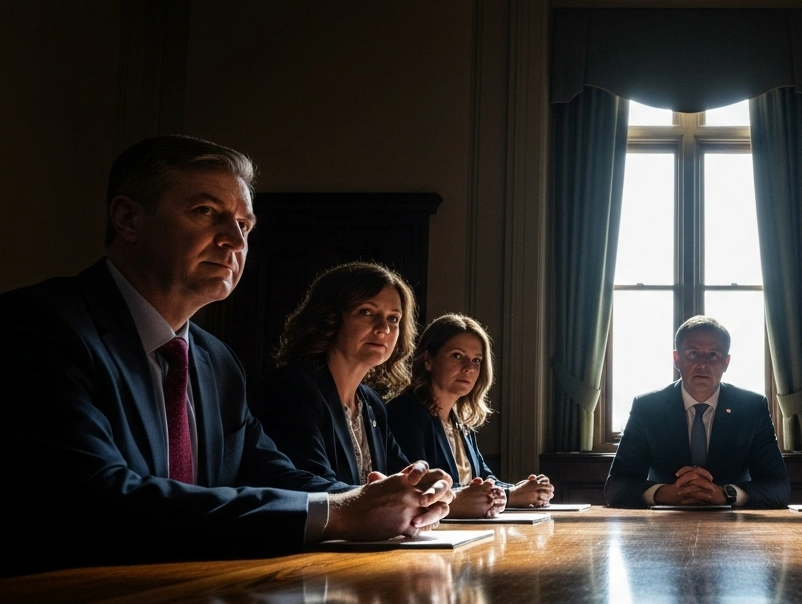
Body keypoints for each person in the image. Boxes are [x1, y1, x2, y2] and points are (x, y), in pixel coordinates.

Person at [0, 135, 452, 573]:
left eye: (244, 225)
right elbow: (97, 500)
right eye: (205, 212)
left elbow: (269, 473)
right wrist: (341, 513)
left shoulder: (216, 361)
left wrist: (390, 498)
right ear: (128, 219)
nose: (234, 242)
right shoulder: (40, 326)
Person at [258, 267, 504, 519]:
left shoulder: (372, 403)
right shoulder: (291, 388)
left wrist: (431, 489)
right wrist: (436, 501)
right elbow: (308, 490)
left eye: (393, 319)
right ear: (329, 318)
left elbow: (402, 479)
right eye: (366, 312)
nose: (383, 328)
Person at [604, 315, 790, 508]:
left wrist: (725, 493)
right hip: (664, 526)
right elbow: (616, 486)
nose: (703, 364)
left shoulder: (752, 408)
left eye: (713, 355)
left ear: (726, 362)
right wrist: (667, 493)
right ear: (677, 359)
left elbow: (778, 487)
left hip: (733, 528)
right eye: (693, 354)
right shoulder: (648, 408)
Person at [387, 313, 554, 510]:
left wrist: (528, 489)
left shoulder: (461, 420)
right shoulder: (406, 412)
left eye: (476, 360)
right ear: (428, 360)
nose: (469, 368)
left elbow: (484, 478)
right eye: (457, 356)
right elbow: (420, 490)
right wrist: (511, 496)